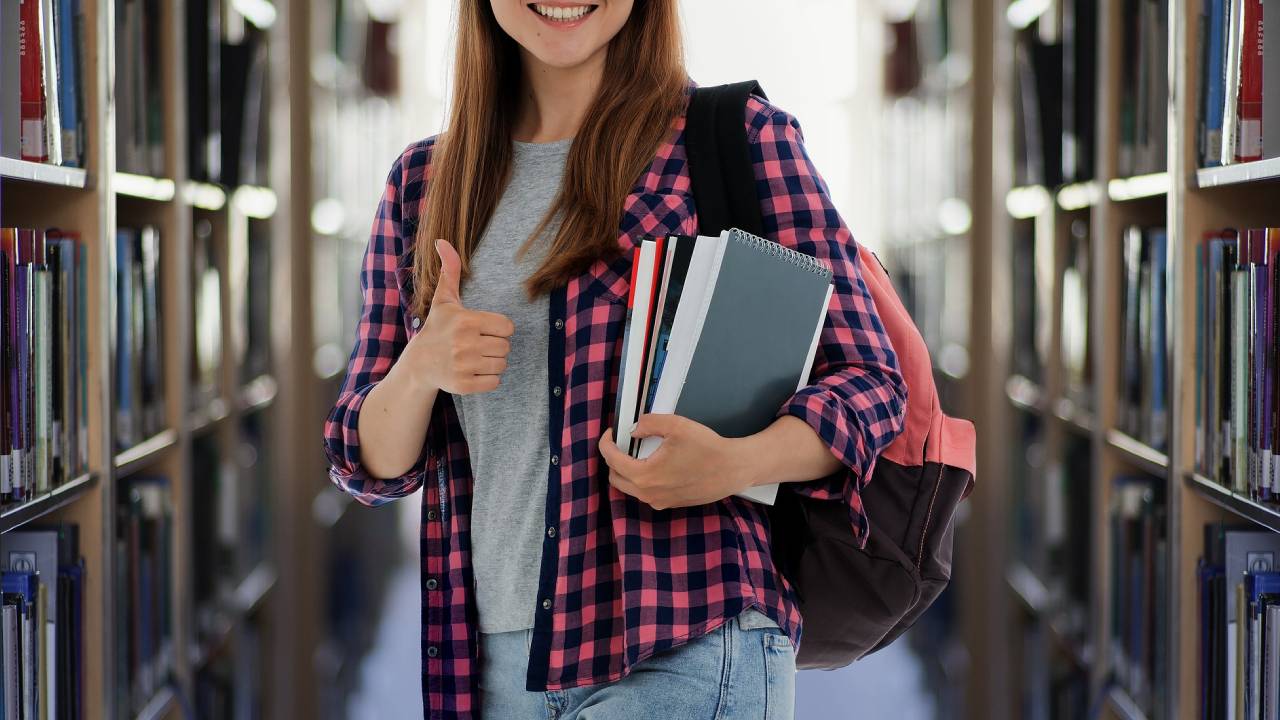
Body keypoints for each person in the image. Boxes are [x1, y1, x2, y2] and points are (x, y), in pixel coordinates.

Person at [323, 1, 907, 717]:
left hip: (682, 638)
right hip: (491, 665)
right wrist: (420, 368)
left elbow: (873, 384)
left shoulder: (738, 139)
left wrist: (738, 462)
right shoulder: (423, 182)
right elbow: (367, 463)